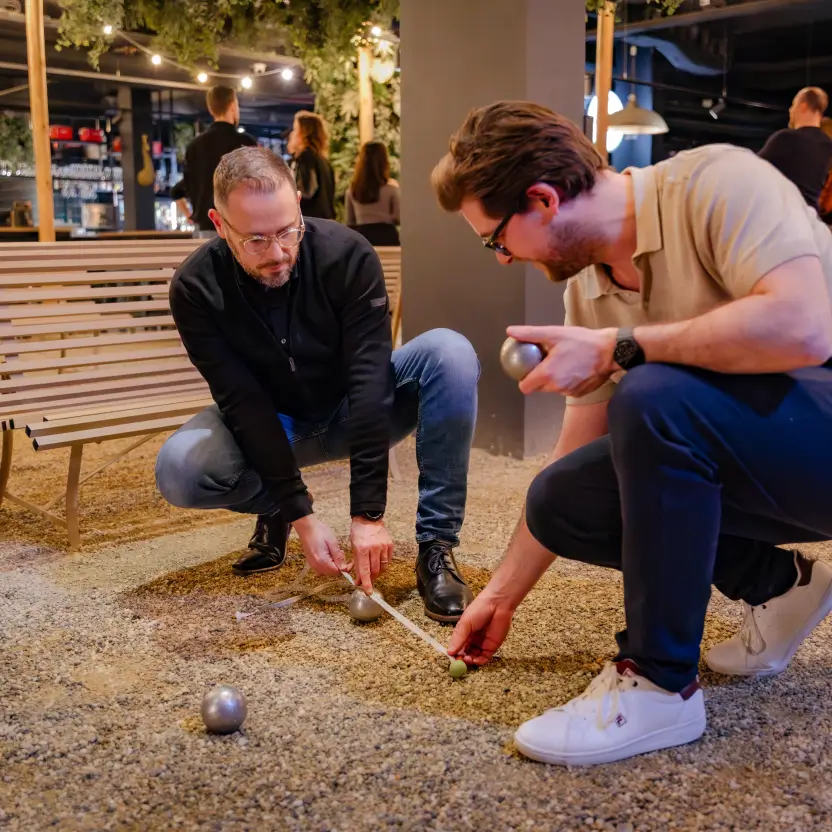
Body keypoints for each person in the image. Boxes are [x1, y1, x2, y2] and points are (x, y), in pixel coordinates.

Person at [432, 101, 832, 766]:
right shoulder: (591, 289)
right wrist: (500, 595)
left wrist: (623, 349)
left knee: (653, 395)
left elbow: (805, 327)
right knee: (562, 497)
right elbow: (577, 456)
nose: (502, 260)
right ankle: (781, 584)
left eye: (497, 239)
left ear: (542, 199)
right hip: (774, 452)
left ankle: (658, 685)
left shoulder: (719, 183)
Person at [155, 146, 479, 623]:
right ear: (220, 225)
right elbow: (242, 403)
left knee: (449, 352)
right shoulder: (195, 288)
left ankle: (436, 547)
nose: (278, 253)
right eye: (257, 240)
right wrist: (301, 513)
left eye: (288, 231)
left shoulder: (348, 255)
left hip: (352, 409)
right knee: (180, 468)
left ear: (300, 203)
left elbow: (369, 379)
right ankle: (279, 513)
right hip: (276, 421)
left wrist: (367, 514)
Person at [170, 86, 257, 238]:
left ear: (211, 109)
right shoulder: (245, 142)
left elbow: (178, 190)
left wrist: (191, 216)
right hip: (239, 226)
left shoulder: (194, 146)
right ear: (232, 106)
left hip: (204, 227)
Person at [759, 86, 832, 211]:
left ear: (803, 106)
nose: (790, 110)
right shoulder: (829, 146)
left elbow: (753, 168)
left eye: (793, 105)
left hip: (783, 215)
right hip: (810, 220)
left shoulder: (785, 138)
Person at [346, 141, 401, 246]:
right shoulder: (391, 188)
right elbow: (398, 217)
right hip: (386, 235)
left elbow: (350, 221)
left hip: (361, 237)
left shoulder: (352, 190)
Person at [286, 111, 336, 220]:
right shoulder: (323, 161)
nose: (291, 134)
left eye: (295, 129)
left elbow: (306, 192)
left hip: (309, 222)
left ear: (304, 133)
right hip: (325, 222)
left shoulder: (304, 158)